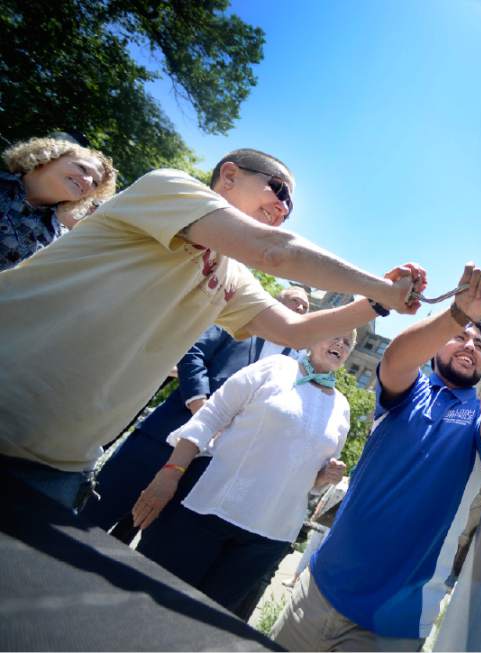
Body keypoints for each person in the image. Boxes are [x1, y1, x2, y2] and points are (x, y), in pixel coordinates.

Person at [0, 147, 426, 511]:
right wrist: (383, 287)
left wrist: (373, 304)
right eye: (278, 190)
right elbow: (274, 252)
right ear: (229, 174)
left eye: (290, 207)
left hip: (60, 461)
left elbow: (295, 331)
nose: (282, 208)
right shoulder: (170, 187)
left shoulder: (232, 275)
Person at [271, 263, 481, 652]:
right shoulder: (408, 392)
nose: (469, 347)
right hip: (319, 589)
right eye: (460, 338)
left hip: (393, 625)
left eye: (479, 347)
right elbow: (395, 360)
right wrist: (461, 312)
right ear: (436, 349)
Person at [130, 331, 356, 616]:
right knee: (146, 603)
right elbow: (212, 414)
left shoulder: (342, 407)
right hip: (208, 510)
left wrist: (325, 476)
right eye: (336, 334)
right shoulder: (275, 367)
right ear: (312, 338)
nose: (340, 344)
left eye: (348, 342)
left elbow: (309, 475)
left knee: (200, 626)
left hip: (268, 537)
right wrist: (171, 472)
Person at [79, 286, 312, 542]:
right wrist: (201, 406)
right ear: (273, 302)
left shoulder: (297, 367)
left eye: (306, 307)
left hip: (205, 466)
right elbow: (193, 352)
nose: (301, 308)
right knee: (92, 517)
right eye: (295, 301)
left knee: (130, 536)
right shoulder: (239, 325)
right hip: (161, 440)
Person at [1, 136, 117, 270]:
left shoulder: (56, 240)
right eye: (83, 168)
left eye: (95, 183)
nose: (88, 181)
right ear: (49, 157)